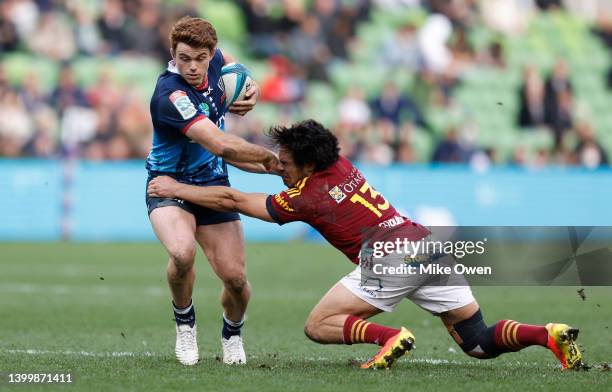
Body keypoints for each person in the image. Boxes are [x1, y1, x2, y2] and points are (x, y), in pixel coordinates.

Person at [148, 120, 583, 370]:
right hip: (427, 245)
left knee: (317, 326)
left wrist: (176, 187)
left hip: (390, 257)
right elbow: (289, 166)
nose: (278, 167)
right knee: (477, 342)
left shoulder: (306, 197)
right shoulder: (340, 164)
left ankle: (389, 337)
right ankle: (546, 334)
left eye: (285, 163)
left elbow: (231, 199)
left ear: (308, 165)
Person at [146, 16, 280, 366]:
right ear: (172, 54)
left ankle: (232, 334)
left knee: (236, 279)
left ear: (211, 54)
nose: (192, 66)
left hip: (213, 183)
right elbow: (221, 144)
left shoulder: (218, 60)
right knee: (181, 252)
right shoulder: (170, 95)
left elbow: (242, 73)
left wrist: (253, 91)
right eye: (183, 58)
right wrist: (275, 161)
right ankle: (185, 324)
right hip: (168, 185)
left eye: (200, 58)